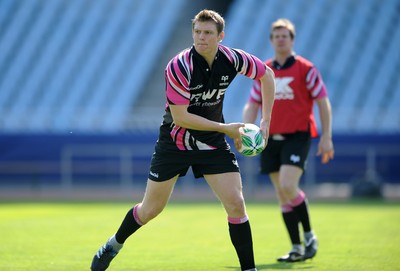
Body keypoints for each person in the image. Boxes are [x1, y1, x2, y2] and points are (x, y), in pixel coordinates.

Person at [90, 9, 275, 271]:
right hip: (175, 143)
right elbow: (181, 118)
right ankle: (113, 244)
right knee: (150, 210)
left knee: (236, 203)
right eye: (197, 32)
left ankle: (249, 269)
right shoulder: (179, 66)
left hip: (211, 141)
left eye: (208, 33)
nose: (201, 37)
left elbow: (267, 74)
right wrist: (228, 129)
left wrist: (265, 120)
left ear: (220, 36)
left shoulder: (232, 58)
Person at [243, 18, 334, 263]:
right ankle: (296, 247)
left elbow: (323, 102)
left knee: (287, 184)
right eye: (277, 36)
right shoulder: (264, 71)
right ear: (271, 40)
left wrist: (326, 136)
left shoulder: (306, 68)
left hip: (298, 135)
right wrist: (244, 131)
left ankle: (309, 236)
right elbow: (252, 104)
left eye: (285, 35)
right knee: (282, 194)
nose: (281, 39)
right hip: (269, 138)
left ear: (292, 40)